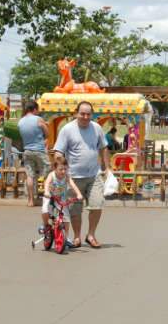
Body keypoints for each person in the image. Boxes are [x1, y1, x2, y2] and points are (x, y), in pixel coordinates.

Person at [53, 101, 112, 248]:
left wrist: (107, 168)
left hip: (94, 174)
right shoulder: (67, 129)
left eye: (88, 114)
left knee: (97, 205)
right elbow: (58, 151)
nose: (85, 117)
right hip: (73, 177)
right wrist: (61, 163)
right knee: (75, 210)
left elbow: (104, 147)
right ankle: (77, 236)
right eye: (82, 114)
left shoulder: (97, 127)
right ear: (76, 113)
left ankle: (91, 235)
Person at [41, 155, 83, 240]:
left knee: (66, 219)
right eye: (61, 169)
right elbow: (47, 183)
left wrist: (79, 194)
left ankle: (65, 237)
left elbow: (73, 185)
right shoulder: (51, 175)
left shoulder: (67, 176)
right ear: (55, 168)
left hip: (61, 198)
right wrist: (46, 191)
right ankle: (46, 225)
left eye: (65, 169)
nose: (63, 171)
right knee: (45, 210)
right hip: (50, 196)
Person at [18, 100, 49, 206]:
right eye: (37, 110)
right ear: (34, 109)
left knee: (29, 176)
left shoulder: (20, 122)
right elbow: (47, 133)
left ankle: (30, 200)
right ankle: (41, 197)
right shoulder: (38, 119)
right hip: (39, 150)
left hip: (27, 151)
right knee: (44, 172)